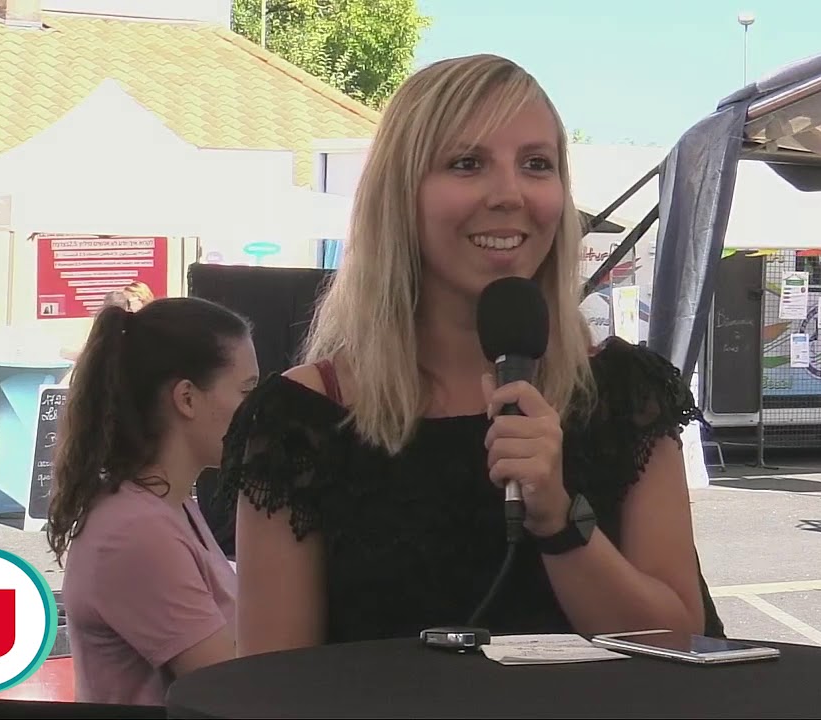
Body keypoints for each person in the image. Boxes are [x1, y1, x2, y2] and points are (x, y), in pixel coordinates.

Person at [215, 54, 722, 656]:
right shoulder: (299, 421)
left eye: (537, 164)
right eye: (467, 163)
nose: (509, 194)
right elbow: (272, 684)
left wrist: (559, 519)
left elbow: (680, 641)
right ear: (400, 196)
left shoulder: (627, 395)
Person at [47, 297, 257, 705]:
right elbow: (234, 691)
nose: (257, 411)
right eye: (247, 391)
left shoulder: (169, 505)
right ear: (187, 399)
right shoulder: (136, 530)